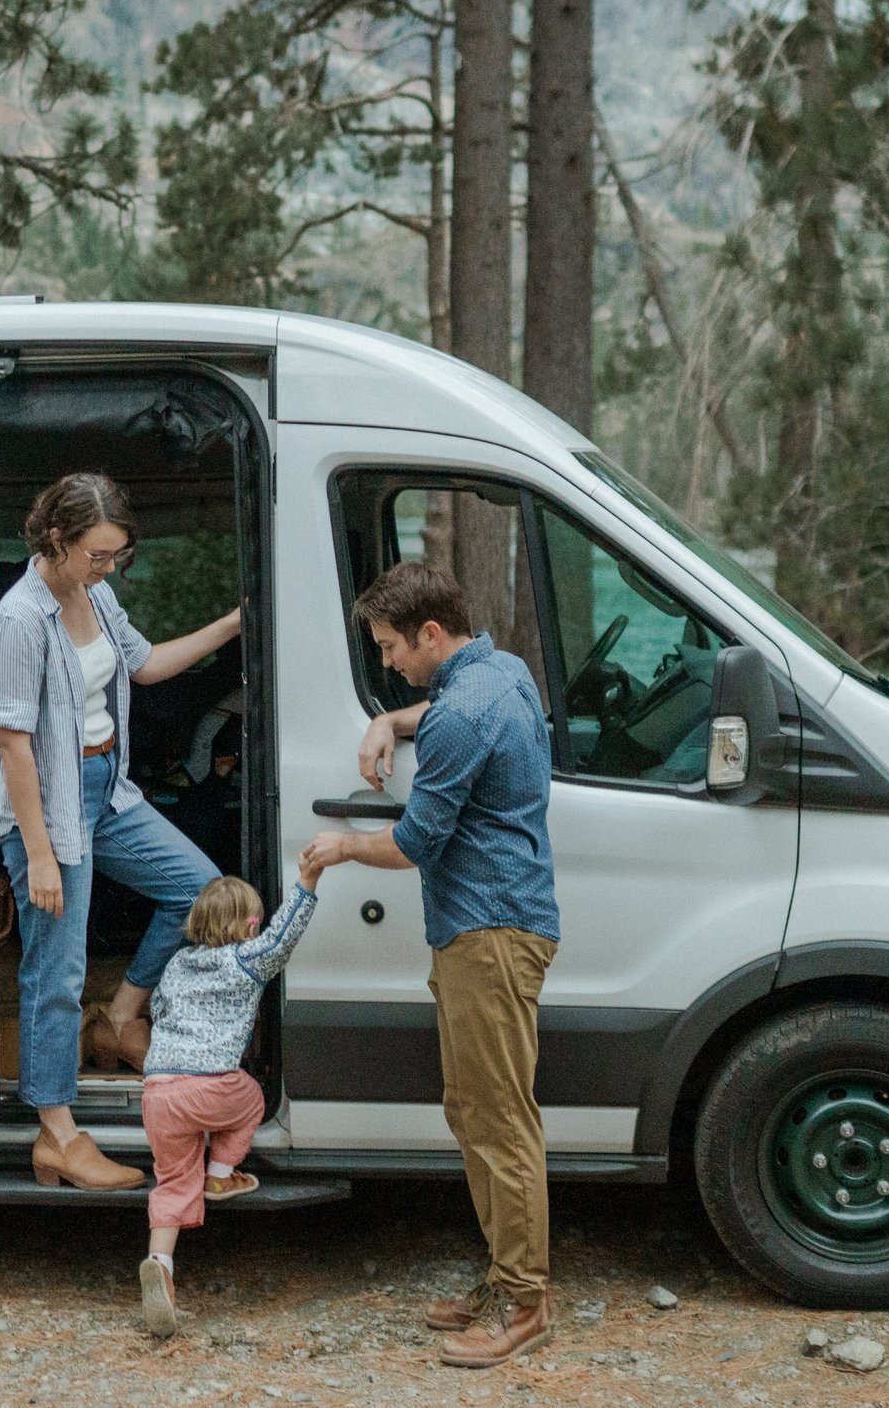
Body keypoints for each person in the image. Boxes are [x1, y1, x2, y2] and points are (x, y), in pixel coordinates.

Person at [302, 561, 562, 1369]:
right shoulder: (501, 670)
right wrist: (396, 721)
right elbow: (447, 707)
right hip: (495, 925)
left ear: (432, 634)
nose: (387, 664)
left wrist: (342, 845)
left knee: (499, 1118)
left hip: (486, 931)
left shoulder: (459, 715)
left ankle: (525, 1302)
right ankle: (505, 1276)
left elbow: (415, 842)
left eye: (390, 649)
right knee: (474, 1108)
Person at [0, 472, 244, 1191]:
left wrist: (232, 624)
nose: (108, 568)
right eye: (98, 554)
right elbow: (13, 744)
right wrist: (37, 851)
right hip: (49, 805)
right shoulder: (20, 619)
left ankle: (121, 1015)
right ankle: (57, 1134)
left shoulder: (95, 595)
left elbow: (146, 663)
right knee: (55, 973)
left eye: (115, 556)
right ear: (56, 539)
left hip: (108, 789)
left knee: (199, 889)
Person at [134, 857, 325, 1336]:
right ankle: (220, 1174)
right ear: (251, 924)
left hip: (158, 1089)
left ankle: (161, 1263)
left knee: (173, 1180)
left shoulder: (177, 963)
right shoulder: (246, 959)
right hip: (214, 1085)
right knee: (255, 1098)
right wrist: (307, 883)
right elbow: (284, 937)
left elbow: (157, 1008)